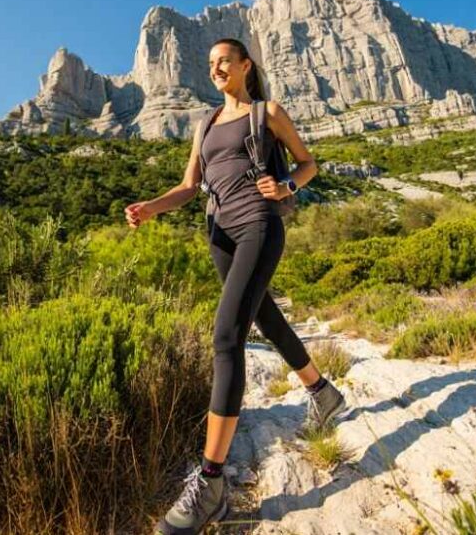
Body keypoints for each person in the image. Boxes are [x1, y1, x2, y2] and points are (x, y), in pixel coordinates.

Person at [125, 38, 347, 534]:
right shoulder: (204, 124)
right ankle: (322, 391)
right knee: (265, 317)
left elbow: (308, 163)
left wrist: (287, 185)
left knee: (227, 336)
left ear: (246, 65)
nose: (216, 68)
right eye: (210, 63)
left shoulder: (267, 112)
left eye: (224, 60)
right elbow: (188, 187)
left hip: (260, 226)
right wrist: (148, 207)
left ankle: (211, 483)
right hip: (219, 236)